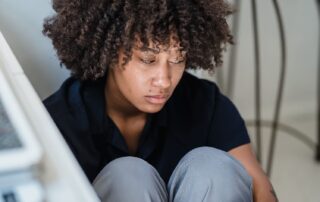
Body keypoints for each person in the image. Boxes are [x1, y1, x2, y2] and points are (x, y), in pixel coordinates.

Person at [42, 0, 278, 201]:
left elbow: (260, 188)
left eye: (177, 60)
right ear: (109, 51)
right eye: (147, 59)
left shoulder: (204, 103)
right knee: (128, 177)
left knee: (213, 168)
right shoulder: (58, 122)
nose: (165, 81)